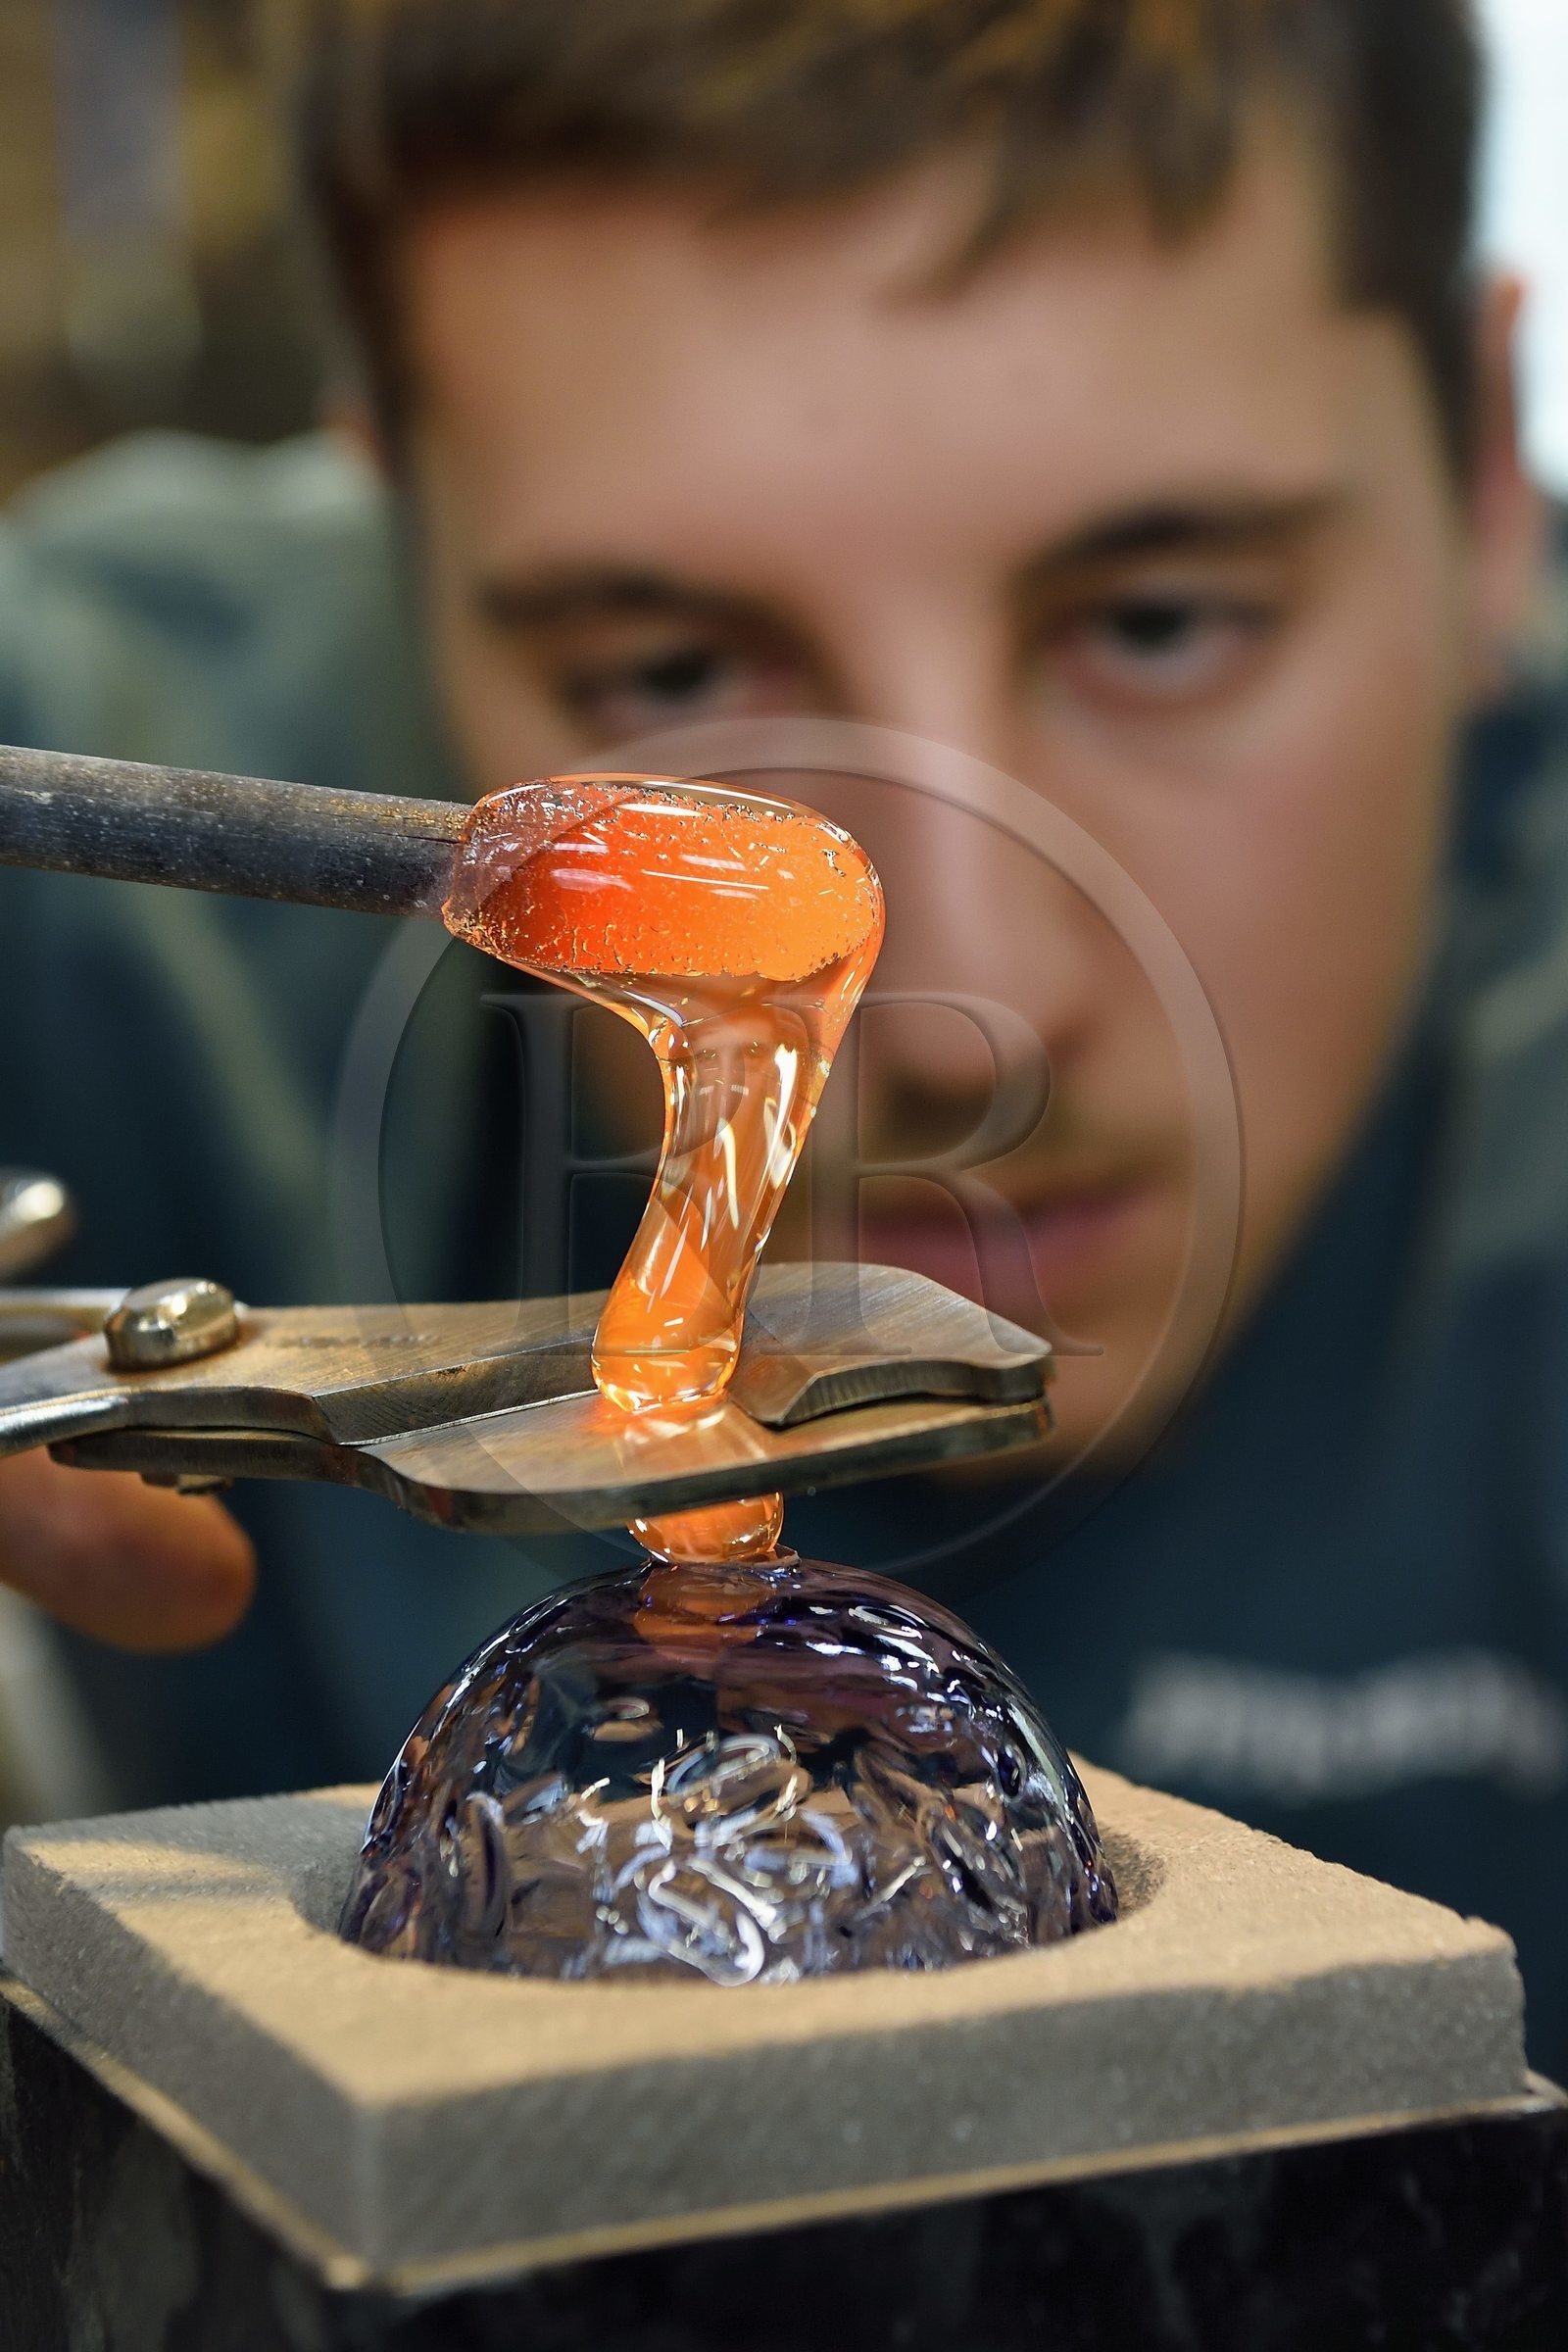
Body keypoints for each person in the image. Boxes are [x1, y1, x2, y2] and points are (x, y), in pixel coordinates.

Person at [5, 0, 1568, 2058]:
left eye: (1160, 621)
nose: (972, 1016)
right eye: (665, 663)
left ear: (1481, 475)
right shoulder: (102, 811)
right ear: (392, 535)